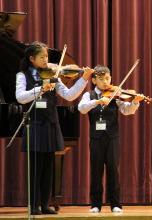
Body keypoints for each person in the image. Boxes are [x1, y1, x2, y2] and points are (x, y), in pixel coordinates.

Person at [15, 41, 94, 215]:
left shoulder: (53, 74)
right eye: (42, 57)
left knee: (48, 166)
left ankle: (44, 204)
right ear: (31, 58)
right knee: (35, 168)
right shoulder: (22, 75)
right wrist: (39, 89)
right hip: (34, 125)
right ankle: (33, 205)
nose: (46, 60)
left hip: (51, 124)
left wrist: (83, 79)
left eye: (47, 57)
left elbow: (69, 95)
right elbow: (20, 97)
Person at [78, 65, 144, 213]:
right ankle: (95, 204)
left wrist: (135, 101)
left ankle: (116, 204)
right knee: (96, 170)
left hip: (112, 138)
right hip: (96, 138)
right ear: (94, 80)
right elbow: (81, 108)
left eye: (108, 78)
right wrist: (97, 101)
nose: (105, 82)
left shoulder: (116, 94)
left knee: (114, 170)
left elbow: (127, 111)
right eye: (101, 79)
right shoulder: (89, 95)